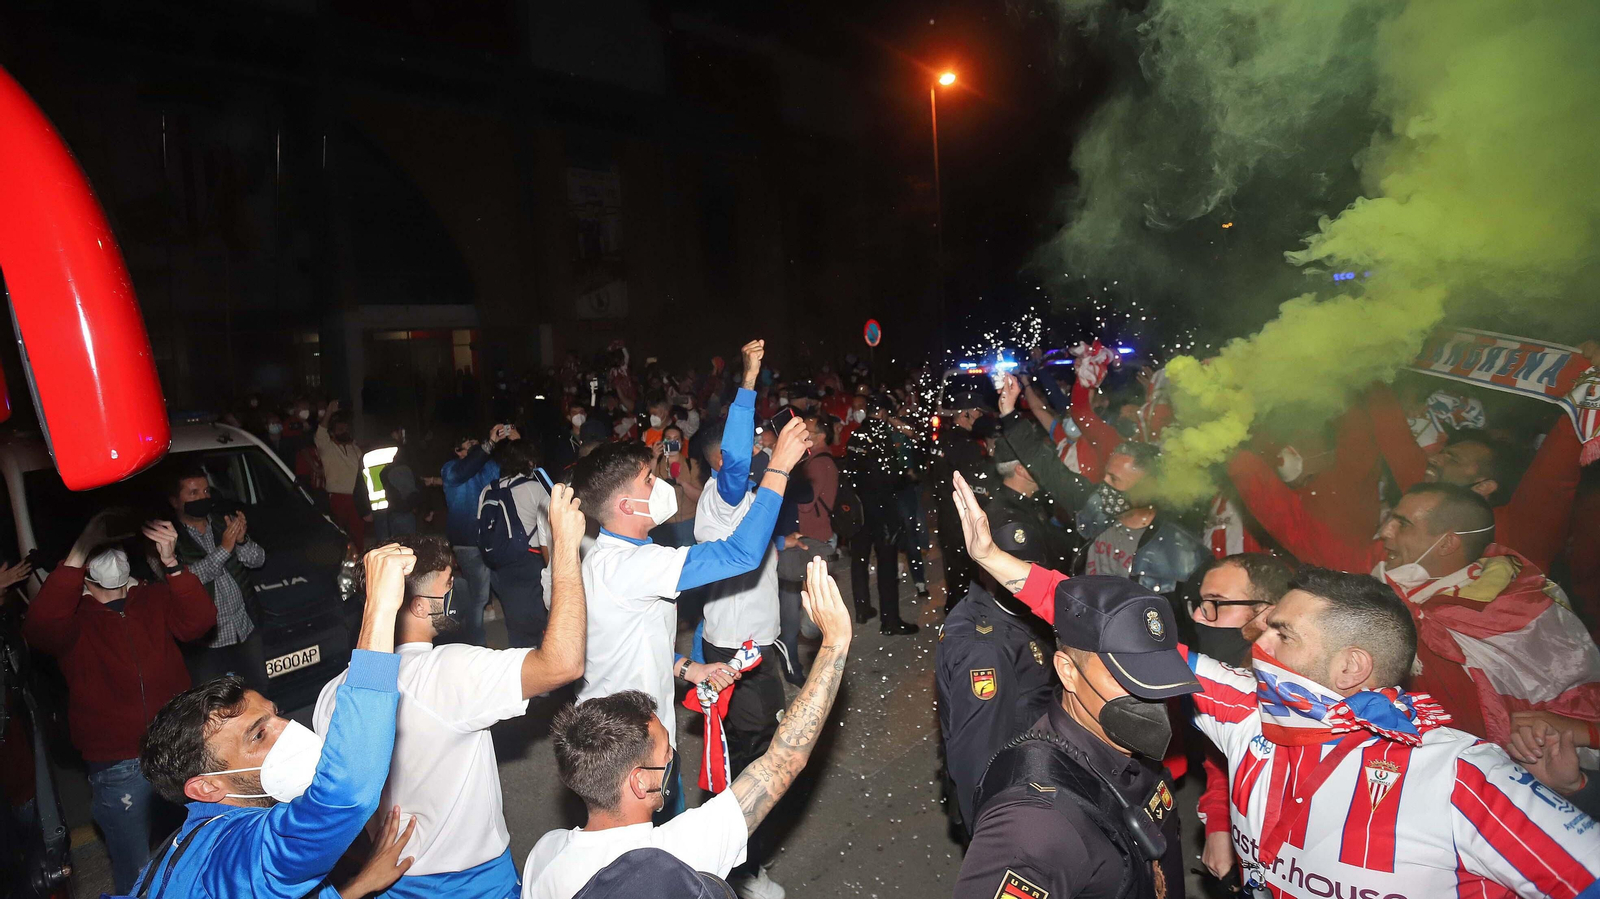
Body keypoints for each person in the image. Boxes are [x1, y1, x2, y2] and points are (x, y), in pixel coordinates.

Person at [1186, 568, 1600, 898]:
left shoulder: (1461, 775)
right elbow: (1133, 646)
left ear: (1350, 667)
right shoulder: (1246, 709)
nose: (1261, 644)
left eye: (1283, 635)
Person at [523, 556, 852, 899]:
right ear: (640, 781)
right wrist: (835, 642)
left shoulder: (544, 855)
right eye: (667, 752)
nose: (673, 756)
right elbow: (784, 760)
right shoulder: (676, 855)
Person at [312, 491, 586, 899]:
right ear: (421, 607)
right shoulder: (449, 670)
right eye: (447, 585)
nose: (456, 590)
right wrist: (564, 547)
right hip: (472, 883)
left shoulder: (334, 693)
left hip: (390, 879)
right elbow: (563, 662)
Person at [945, 474, 1200, 899]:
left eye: (1158, 679)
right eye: (1125, 679)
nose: (1149, 700)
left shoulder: (1121, 745)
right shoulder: (1035, 821)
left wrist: (993, 557)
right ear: (1066, 672)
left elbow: (1067, 603)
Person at [134, 544, 419, 899]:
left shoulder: (213, 838)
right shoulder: (228, 859)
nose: (287, 729)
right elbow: (348, 790)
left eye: (274, 715)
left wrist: (358, 885)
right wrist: (379, 608)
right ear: (207, 788)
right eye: (257, 735)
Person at [569, 400, 809, 811]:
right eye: (649, 480)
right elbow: (740, 555)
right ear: (626, 506)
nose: (661, 484)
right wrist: (780, 467)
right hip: (627, 750)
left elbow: (630, 639)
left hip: (638, 733)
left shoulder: (616, 555)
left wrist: (688, 668)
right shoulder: (633, 565)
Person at [22, 516, 216, 893]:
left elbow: (200, 621)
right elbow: (39, 629)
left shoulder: (153, 595)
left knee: (197, 847)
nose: (109, 555)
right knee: (137, 868)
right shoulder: (71, 615)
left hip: (178, 747)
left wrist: (173, 564)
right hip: (118, 764)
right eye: (97, 550)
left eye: (114, 547)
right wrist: (80, 548)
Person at [1373, 482, 1600, 743]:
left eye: (1402, 524)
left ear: (1446, 544)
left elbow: (1582, 705)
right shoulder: (1381, 585)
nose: (1384, 532)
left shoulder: (1522, 608)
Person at [690, 341, 789, 898]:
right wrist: (748, 380)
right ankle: (738, 874)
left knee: (744, 759)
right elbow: (734, 464)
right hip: (737, 654)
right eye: (748, 443)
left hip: (753, 649)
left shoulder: (743, 498)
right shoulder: (723, 496)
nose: (758, 447)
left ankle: (731, 866)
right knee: (748, 768)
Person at [935, 517, 1058, 833]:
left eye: (1028, 569)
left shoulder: (1022, 613)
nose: (1016, 580)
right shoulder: (985, 649)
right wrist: (994, 833)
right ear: (984, 570)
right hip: (1016, 796)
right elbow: (979, 755)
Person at [1186, 552, 1294, 883]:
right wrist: (1219, 821)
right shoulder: (1228, 671)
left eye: (1216, 603)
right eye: (1200, 602)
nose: (1198, 616)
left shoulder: (1301, 687)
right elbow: (1224, 758)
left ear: (1267, 613)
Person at [167, 465, 269, 692]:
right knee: (213, 706)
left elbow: (257, 560)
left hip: (244, 628)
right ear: (175, 501)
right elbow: (186, 579)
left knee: (258, 691)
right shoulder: (169, 539)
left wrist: (241, 541)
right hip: (207, 642)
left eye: (205, 492)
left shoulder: (222, 523)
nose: (202, 497)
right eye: (193, 493)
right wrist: (224, 548)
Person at [1075, 442, 1209, 596]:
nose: (1104, 484)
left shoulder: (1183, 554)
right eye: (1105, 475)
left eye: (1114, 479)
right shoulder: (1094, 515)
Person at [843, 395, 918, 634]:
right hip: (882, 510)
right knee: (886, 565)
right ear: (884, 413)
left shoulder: (856, 434)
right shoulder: (881, 436)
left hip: (860, 509)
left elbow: (852, 470)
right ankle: (890, 621)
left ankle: (862, 608)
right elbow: (890, 476)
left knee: (860, 560)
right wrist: (907, 477)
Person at [483, 436, 555, 648]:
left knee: (513, 620)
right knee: (540, 622)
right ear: (530, 462)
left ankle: (519, 666)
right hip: (530, 561)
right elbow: (549, 527)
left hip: (499, 563)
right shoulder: (536, 488)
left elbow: (481, 524)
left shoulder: (488, 489)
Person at [441, 426, 508, 647]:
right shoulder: (450, 469)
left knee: (507, 590)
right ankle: (475, 645)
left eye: (474, 443)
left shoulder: (488, 465)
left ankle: (518, 637)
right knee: (478, 597)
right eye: (467, 445)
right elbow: (465, 470)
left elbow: (507, 477)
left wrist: (514, 442)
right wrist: (487, 446)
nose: (473, 447)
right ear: (457, 451)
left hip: (494, 540)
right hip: (468, 543)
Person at [931, 389, 996, 610]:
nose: (981, 418)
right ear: (965, 414)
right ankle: (962, 624)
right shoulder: (967, 446)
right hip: (962, 520)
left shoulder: (943, 440)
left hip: (947, 516)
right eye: (977, 413)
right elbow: (979, 487)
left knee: (954, 572)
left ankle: (954, 616)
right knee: (968, 577)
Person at [984, 438, 1078, 573]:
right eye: (1040, 462)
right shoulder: (1011, 520)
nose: (1047, 468)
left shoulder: (1029, 502)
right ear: (1021, 470)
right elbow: (1026, 583)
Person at [319, 400, 368, 546]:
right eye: (339, 429)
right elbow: (321, 430)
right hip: (337, 499)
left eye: (345, 429)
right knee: (338, 536)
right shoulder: (327, 448)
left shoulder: (355, 449)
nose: (343, 432)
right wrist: (329, 411)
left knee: (358, 536)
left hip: (356, 498)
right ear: (332, 432)